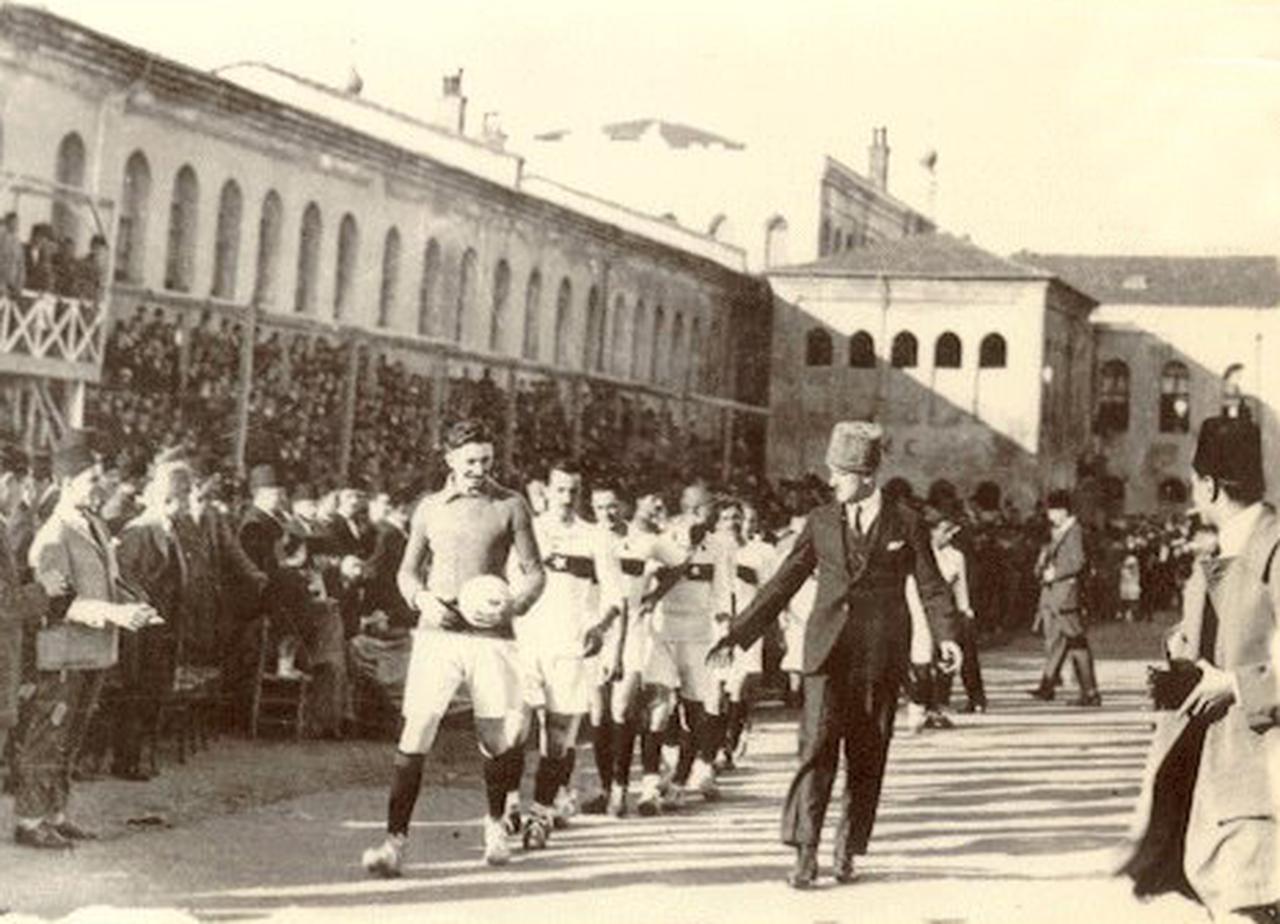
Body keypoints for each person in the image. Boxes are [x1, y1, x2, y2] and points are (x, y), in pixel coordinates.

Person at [708, 420, 960, 888]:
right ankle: (805, 852)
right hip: (825, 654)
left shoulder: (905, 521)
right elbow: (783, 582)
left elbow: (931, 585)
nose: (831, 482)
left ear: (866, 476)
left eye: (840, 474)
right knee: (815, 749)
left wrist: (947, 636)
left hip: (880, 657)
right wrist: (737, 635)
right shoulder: (821, 520)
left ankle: (847, 849)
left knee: (867, 755)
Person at [362, 419, 545, 877]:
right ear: (450, 460)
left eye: (486, 461)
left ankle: (495, 825)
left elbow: (535, 572)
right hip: (437, 634)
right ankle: (394, 843)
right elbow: (407, 572)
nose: (478, 470)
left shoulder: (510, 505)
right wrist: (422, 599)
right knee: (417, 730)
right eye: (470, 462)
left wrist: (514, 605)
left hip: (491, 637)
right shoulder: (429, 508)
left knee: (494, 737)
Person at [1120, 414, 1279, 922]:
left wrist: (1235, 684)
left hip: (1262, 783)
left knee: (1247, 906)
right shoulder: (1224, 550)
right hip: (1221, 783)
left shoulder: (1274, 549)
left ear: (1209, 485)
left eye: (1194, 482)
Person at [12, 429, 157, 848]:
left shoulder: (93, 524)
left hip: (93, 651)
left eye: (100, 478)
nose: (100, 486)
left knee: (72, 737)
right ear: (64, 482)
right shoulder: (53, 535)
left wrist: (133, 604)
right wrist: (116, 614)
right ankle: (29, 820)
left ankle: (55, 814)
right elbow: (59, 604)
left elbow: (110, 580)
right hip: (63, 654)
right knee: (48, 736)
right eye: (91, 480)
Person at [516, 461, 621, 847]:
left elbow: (614, 596)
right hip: (526, 643)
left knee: (557, 737)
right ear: (546, 491)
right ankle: (507, 805)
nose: (566, 497)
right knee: (514, 730)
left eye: (574, 490)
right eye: (560, 489)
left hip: (569, 646)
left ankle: (540, 814)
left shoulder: (596, 537)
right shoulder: (526, 529)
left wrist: (600, 628)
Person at [112, 461, 192, 780]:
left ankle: (140, 756)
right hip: (141, 629)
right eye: (185, 495)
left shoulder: (170, 531)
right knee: (136, 692)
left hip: (164, 628)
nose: (188, 502)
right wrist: (144, 603)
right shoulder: (139, 530)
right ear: (169, 497)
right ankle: (127, 760)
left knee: (153, 692)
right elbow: (121, 576)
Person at [1028, 490, 1101, 706]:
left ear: (1062, 511)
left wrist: (1055, 573)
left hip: (1067, 595)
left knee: (1076, 642)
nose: (1049, 515)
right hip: (1058, 595)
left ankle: (1090, 692)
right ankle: (1047, 686)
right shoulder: (1062, 531)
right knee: (1060, 642)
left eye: (1052, 511)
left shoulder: (1074, 531)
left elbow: (1078, 561)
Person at [0, 212, 25, 297]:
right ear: (7, 223)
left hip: (13, 285)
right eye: (13, 222)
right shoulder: (1, 239)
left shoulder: (17, 242)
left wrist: (20, 284)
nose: (16, 225)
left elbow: (21, 265)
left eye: (17, 222)